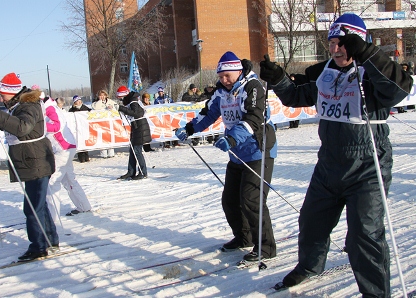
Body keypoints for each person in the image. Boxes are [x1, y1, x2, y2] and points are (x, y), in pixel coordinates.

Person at [259, 13, 413, 296]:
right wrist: (279, 79)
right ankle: (309, 266)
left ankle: (376, 293)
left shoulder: (371, 72)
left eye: (343, 43)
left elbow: (400, 88)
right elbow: (297, 96)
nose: (336, 49)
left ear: (358, 44)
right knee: (311, 221)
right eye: (332, 43)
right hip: (329, 162)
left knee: (364, 236)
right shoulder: (325, 72)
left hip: (367, 163)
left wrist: (368, 53)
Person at [175, 51, 277, 263]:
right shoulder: (221, 92)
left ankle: (266, 246)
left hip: (258, 149)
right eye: (221, 76)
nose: (223, 80)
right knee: (230, 200)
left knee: (251, 199)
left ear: (238, 71)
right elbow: (208, 114)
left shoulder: (252, 87)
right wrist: (189, 128)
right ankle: (243, 237)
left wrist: (231, 138)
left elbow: (254, 117)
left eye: (227, 75)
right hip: (237, 153)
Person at [0, 73, 59, 261]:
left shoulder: (28, 106)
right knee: (38, 204)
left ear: (12, 93)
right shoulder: (20, 105)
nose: (1, 98)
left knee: (32, 208)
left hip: (35, 161)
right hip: (31, 160)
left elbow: (22, 127)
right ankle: (49, 239)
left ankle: (39, 246)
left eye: (2, 94)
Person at [44, 97, 92, 217]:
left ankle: (51, 216)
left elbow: (56, 126)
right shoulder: (53, 108)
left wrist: (40, 127)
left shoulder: (49, 108)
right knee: (69, 179)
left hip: (62, 149)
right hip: (67, 147)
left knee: (52, 182)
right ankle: (84, 206)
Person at [116, 86, 152, 180]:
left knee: (137, 151)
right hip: (136, 127)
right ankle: (131, 172)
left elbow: (136, 113)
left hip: (140, 127)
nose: (121, 99)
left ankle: (143, 172)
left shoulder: (133, 101)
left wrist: (121, 108)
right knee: (132, 150)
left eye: (121, 97)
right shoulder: (132, 100)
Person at [92, 90, 117, 159]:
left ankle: (111, 152)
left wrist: (112, 108)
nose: (102, 97)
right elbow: (96, 108)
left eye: (103, 95)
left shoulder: (110, 102)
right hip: (101, 124)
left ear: (106, 95)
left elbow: (116, 107)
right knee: (102, 138)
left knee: (110, 136)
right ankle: (103, 153)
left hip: (109, 123)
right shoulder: (95, 103)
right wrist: (100, 101)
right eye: (101, 95)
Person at [68, 95, 91, 163]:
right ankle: (81, 157)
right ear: (74, 102)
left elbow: (90, 113)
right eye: (77, 101)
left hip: (84, 127)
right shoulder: (72, 110)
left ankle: (86, 156)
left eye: (79, 100)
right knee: (78, 141)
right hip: (76, 128)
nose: (79, 102)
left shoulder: (85, 107)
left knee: (84, 141)